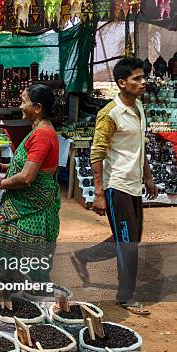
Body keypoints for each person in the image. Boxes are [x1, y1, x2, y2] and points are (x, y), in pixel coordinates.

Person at [70, 57, 157, 315]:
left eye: (143, 77)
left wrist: (148, 177)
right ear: (121, 83)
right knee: (128, 242)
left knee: (131, 237)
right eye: (136, 78)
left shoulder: (139, 107)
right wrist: (98, 192)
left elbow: (139, 147)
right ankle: (126, 295)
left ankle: (84, 256)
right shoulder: (110, 114)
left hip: (133, 185)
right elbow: (96, 153)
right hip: (116, 185)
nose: (143, 82)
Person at [0, 84, 61, 283]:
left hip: (31, 210)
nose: (20, 106)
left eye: (24, 102)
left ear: (38, 108)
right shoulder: (39, 131)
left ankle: (36, 302)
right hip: (25, 205)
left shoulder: (42, 135)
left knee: (27, 262)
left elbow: (26, 177)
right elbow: (27, 165)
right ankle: (14, 295)